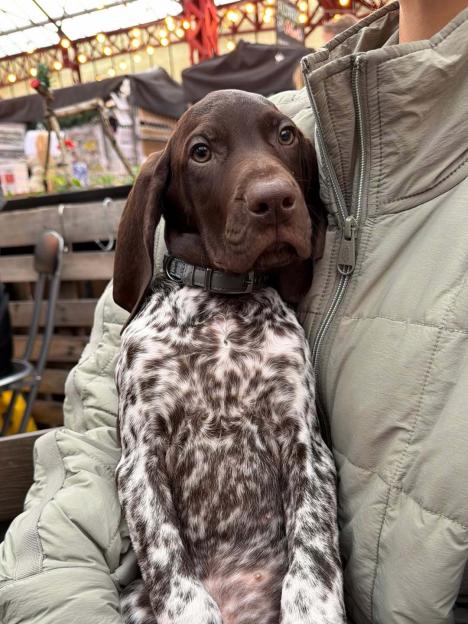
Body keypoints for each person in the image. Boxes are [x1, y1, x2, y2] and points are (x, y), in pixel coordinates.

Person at [1, 1, 467, 622]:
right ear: (164, 202)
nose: (271, 183)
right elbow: (116, 464)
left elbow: (306, 462)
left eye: (280, 143)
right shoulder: (150, 330)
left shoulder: (279, 322)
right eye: (203, 153)